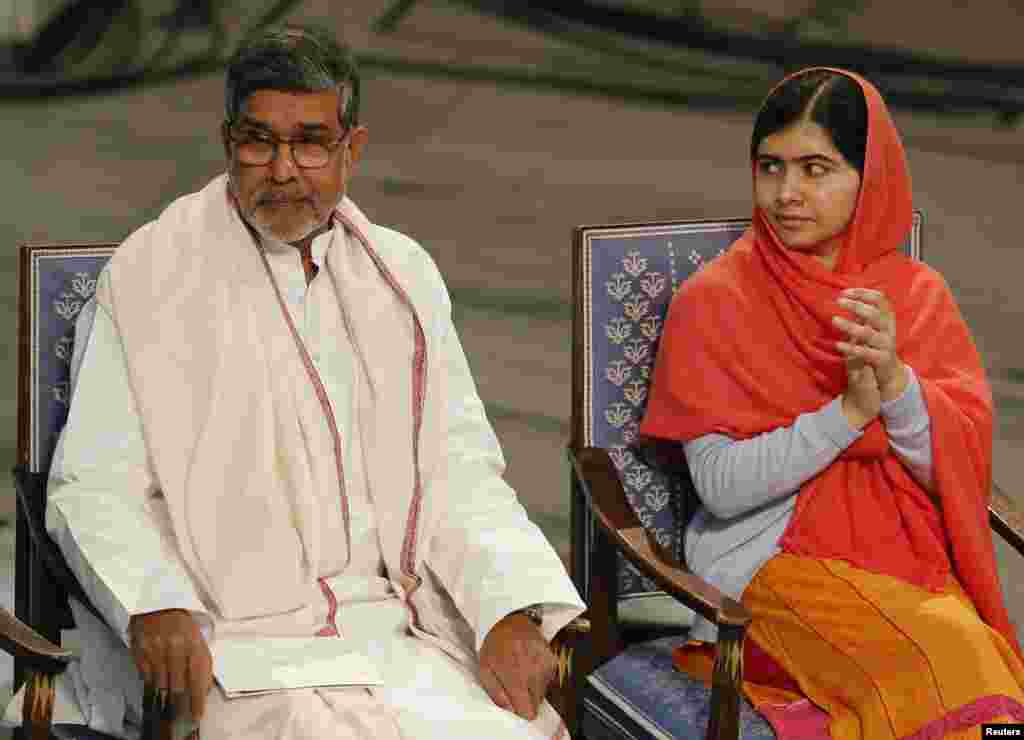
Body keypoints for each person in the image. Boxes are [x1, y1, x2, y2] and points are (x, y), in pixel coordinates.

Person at [43, 23, 584, 740]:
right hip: (235, 642)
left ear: (350, 148)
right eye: (259, 141)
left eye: (310, 141)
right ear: (227, 142)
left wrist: (509, 607)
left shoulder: (403, 279)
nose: (283, 168)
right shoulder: (150, 278)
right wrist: (156, 605)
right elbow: (96, 484)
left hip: (397, 631)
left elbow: (459, 472)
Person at [640, 67, 1024, 739]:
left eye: (817, 169)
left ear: (868, 177)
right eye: (771, 167)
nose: (788, 193)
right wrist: (847, 413)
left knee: (986, 679)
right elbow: (723, 490)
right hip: (763, 566)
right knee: (950, 672)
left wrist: (896, 384)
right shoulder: (715, 302)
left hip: (902, 558)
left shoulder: (914, 295)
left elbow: (955, 472)